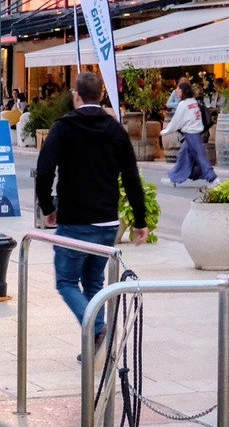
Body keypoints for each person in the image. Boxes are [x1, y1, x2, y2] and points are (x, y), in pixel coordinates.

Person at [35, 72, 148, 352]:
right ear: (101, 96)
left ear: (76, 95)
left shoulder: (63, 128)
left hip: (75, 220)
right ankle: (96, 345)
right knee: (93, 282)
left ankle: (99, 330)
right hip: (108, 221)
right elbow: (132, 177)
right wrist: (140, 221)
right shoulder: (116, 130)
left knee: (66, 282)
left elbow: (44, 171)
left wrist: (48, 208)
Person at [160, 80, 220, 188]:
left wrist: (165, 131)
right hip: (195, 132)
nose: (176, 90)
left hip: (190, 133)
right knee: (183, 156)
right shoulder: (193, 102)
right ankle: (173, 178)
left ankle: (213, 179)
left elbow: (176, 121)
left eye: (178, 88)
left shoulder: (183, 104)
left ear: (183, 91)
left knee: (200, 155)